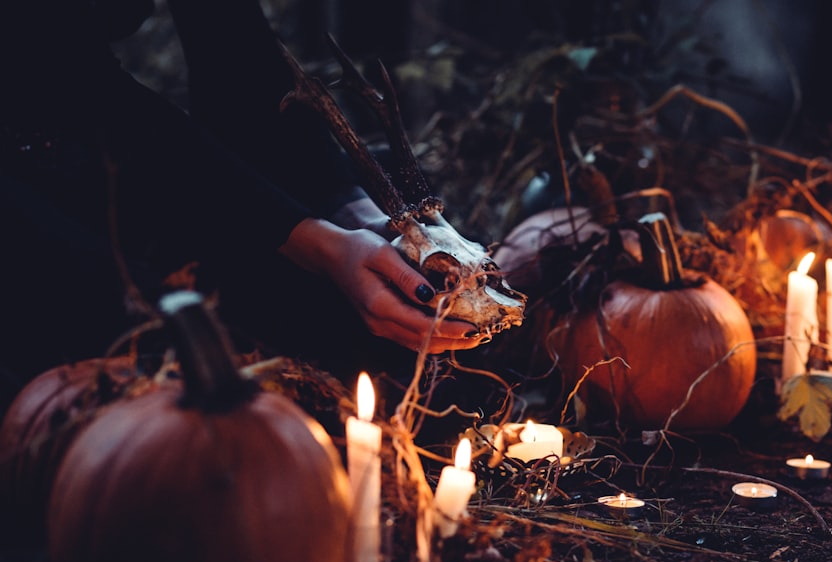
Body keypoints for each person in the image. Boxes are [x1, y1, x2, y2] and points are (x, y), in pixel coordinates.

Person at [0, 0, 483, 408]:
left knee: (346, 329)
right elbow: (90, 95)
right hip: (36, 176)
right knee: (162, 337)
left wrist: (355, 213)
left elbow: (237, 62)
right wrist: (317, 241)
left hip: (118, 149)